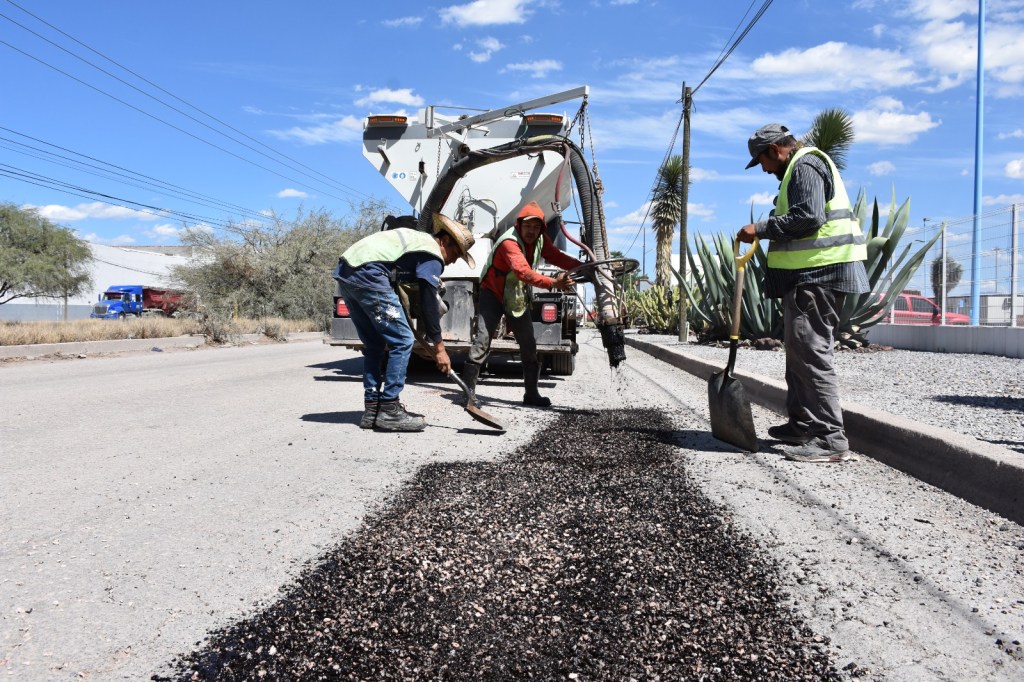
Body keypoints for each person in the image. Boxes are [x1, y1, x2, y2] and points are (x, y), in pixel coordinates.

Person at [738, 123, 870, 463]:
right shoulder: (797, 170)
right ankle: (802, 423)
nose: (765, 170)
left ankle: (830, 439)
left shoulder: (806, 165)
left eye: (762, 161)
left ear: (775, 150)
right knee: (798, 349)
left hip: (820, 272)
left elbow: (810, 217)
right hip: (810, 274)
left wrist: (762, 227)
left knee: (811, 352)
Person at [333, 213, 475, 432]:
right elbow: (429, 302)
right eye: (456, 253)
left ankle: (372, 409)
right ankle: (389, 409)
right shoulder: (432, 254)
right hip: (369, 274)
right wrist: (439, 349)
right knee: (403, 340)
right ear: (444, 241)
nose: (454, 260)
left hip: (347, 272)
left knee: (374, 345)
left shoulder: (418, 243)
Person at [460, 201, 582, 408]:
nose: (531, 231)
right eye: (527, 226)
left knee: (529, 345)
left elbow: (557, 256)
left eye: (536, 227)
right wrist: (554, 283)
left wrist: (586, 267)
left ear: (542, 228)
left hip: (515, 295)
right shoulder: (509, 242)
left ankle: (531, 394)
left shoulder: (541, 240)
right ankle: (468, 395)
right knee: (482, 341)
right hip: (493, 294)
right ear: (519, 226)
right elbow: (523, 272)